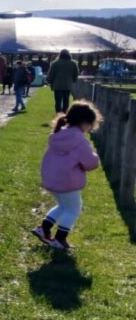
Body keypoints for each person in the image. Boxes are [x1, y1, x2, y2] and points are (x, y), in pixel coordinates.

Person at [32, 100, 101, 250]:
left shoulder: (58, 134)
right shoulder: (79, 141)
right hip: (68, 182)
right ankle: (60, 239)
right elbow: (91, 163)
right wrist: (96, 157)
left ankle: (43, 228)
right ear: (85, 123)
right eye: (91, 125)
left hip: (53, 180)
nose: (90, 128)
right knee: (74, 209)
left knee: (63, 206)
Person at [47, 49, 79, 113]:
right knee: (66, 100)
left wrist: (49, 81)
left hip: (57, 85)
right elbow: (76, 73)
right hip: (67, 85)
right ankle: (65, 113)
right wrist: (73, 80)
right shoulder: (73, 63)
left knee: (58, 101)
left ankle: (58, 113)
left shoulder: (55, 63)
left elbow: (51, 74)